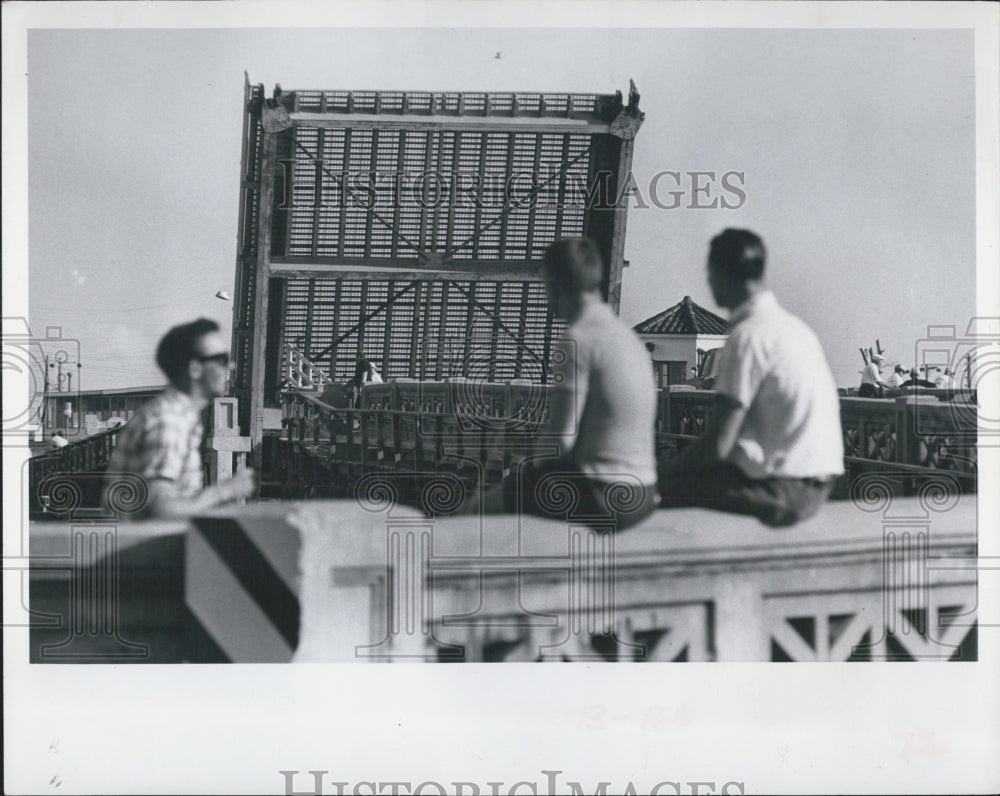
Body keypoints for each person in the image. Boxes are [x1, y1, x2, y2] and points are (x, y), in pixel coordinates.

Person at [464, 237, 659, 530]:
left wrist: (523, 472)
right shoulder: (629, 340)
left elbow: (562, 440)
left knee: (478, 510)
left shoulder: (577, 338)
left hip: (601, 493)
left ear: (555, 284)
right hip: (642, 492)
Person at [658, 229, 844, 527]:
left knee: (651, 494)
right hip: (820, 482)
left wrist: (658, 474)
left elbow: (718, 443)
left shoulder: (746, 336)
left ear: (718, 274)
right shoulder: (795, 328)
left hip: (782, 490)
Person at [105, 318, 255, 519]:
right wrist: (225, 490)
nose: (231, 366)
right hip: (146, 548)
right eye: (221, 359)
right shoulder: (168, 422)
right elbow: (162, 510)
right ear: (195, 369)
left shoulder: (176, 417)